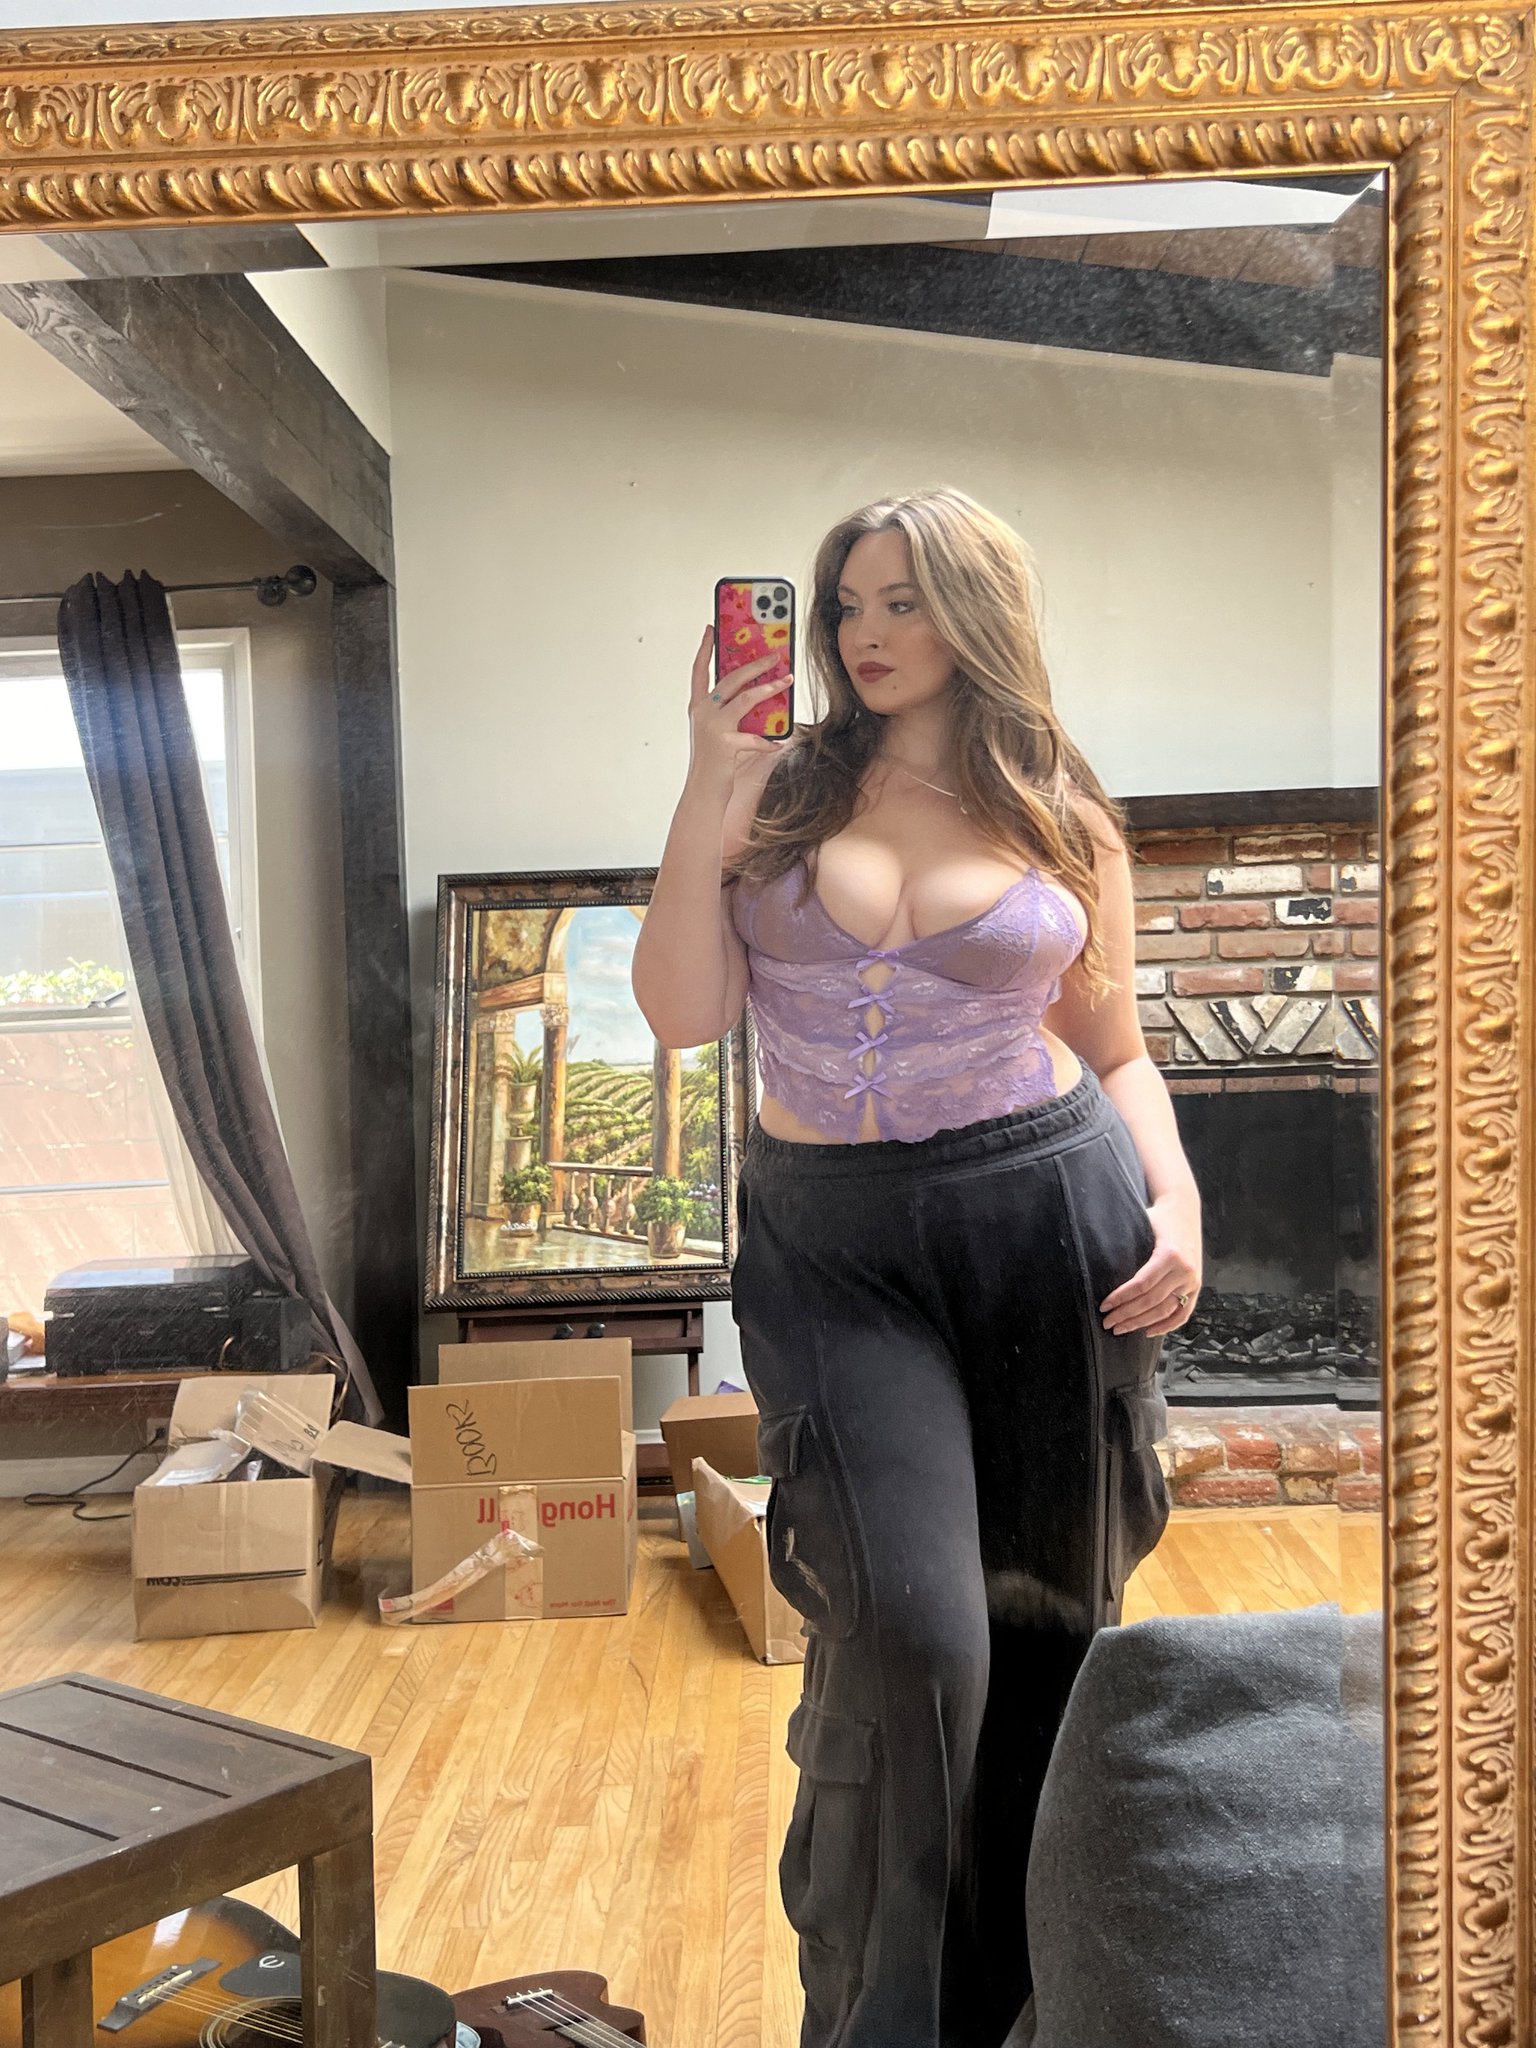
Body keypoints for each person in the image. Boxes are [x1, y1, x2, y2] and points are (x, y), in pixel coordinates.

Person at [632, 488, 1203, 2048]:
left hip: (1046, 1221)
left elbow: (1117, 1049)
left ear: (975, 610)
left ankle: (1034, 2009)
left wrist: (1178, 1197)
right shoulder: (777, 788)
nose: (866, 633)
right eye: (846, 605)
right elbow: (684, 1014)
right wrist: (705, 780)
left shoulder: (1059, 807)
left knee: (1049, 1632)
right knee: (914, 1642)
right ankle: (882, 2021)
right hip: (835, 1249)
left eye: (904, 601)